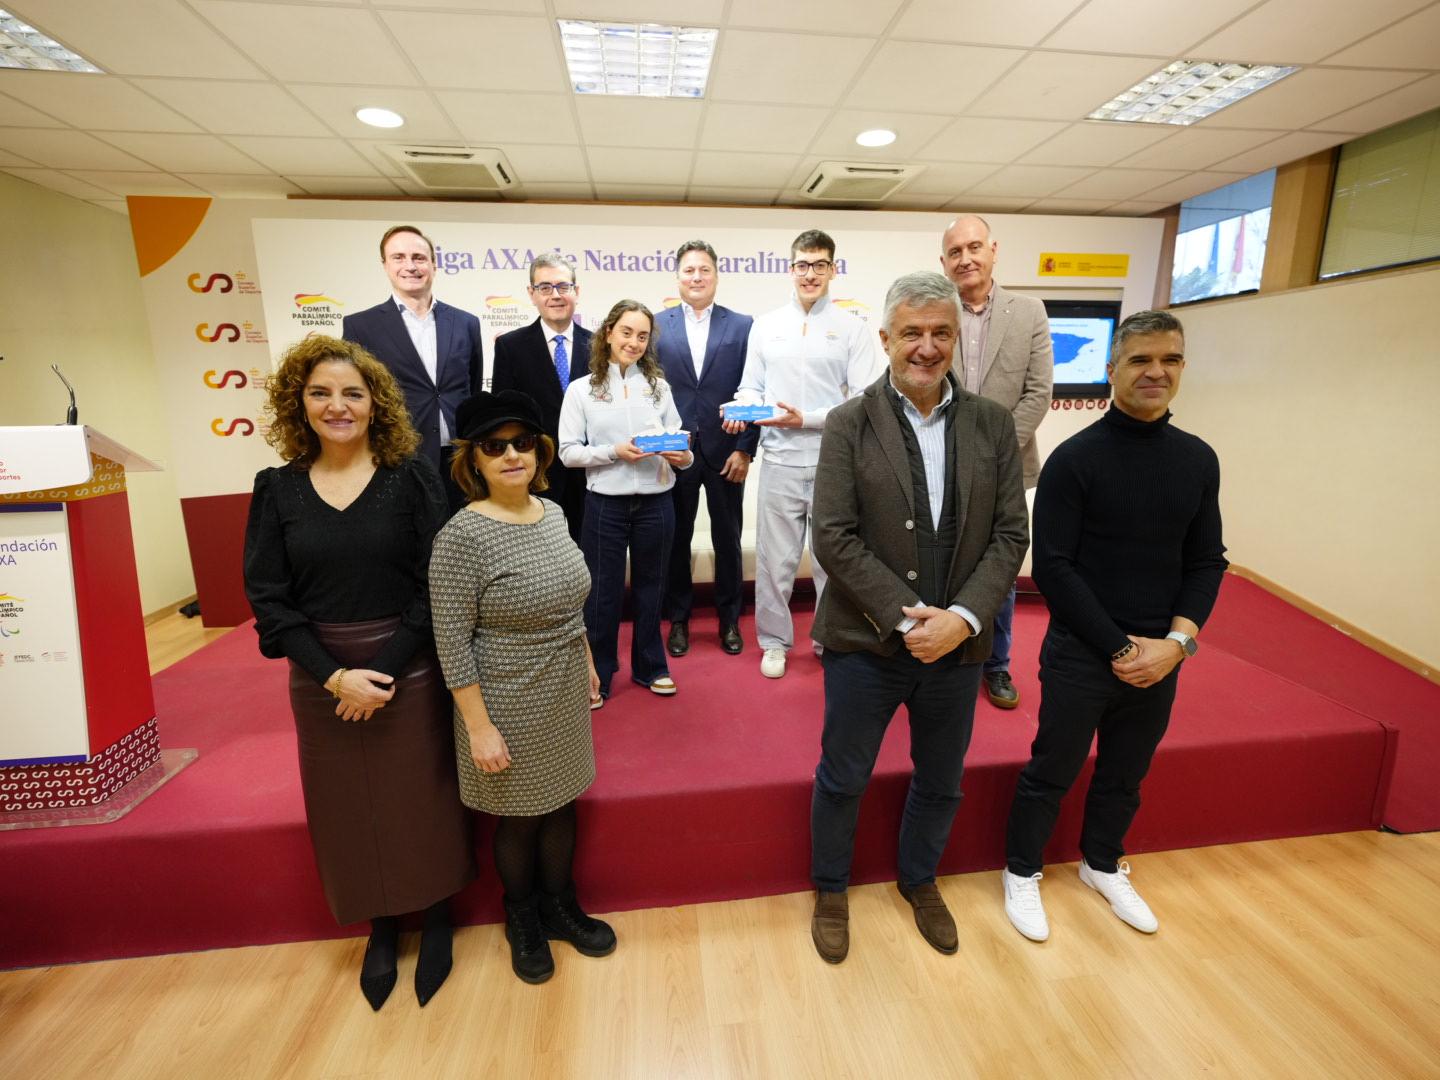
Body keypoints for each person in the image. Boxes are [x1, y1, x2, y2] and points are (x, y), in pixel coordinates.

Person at [242, 334, 475, 1011]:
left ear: (376, 404)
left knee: (420, 798)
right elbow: (269, 599)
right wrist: (334, 677)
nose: (337, 405)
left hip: (410, 664)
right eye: (321, 393)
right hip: (321, 681)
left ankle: (434, 918)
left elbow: (440, 581)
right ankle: (379, 926)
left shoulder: (412, 477)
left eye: (352, 393)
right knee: (346, 807)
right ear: (299, 402)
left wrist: (384, 667)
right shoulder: (276, 488)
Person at [807, 272, 1028, 964]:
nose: (926, 347)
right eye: (912, 333)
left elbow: (1009, 537)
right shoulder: (849, 423)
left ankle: (919, 879)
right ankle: (832, 888)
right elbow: (834, 535)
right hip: (864, 643)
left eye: (940, 333)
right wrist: (910, 623)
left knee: (941, 779)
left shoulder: (992, 424)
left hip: (958, 649)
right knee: (844, 777)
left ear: (955, 339)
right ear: (886, 339)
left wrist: (962, 620)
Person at [1001, 310, 1226, 944]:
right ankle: (1021, 871)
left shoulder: (1197, 460)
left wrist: (1175, 646)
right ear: (1112, 369)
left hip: (1160, 654)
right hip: (1083, 651)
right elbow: (1054, 568)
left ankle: (1101, 862)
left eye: (1171, 360)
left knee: (1126, 774)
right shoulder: (1075, 461)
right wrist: (1123, 648)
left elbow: (1206, 560)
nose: (1157, 372)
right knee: (1053, 769)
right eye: (1141, 360)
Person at [429, 389, 615, 985]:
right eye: (494, 446)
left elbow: (570, 601)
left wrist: (585, 657)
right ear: (473, 461)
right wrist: (478, 727)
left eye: (522, 443)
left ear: (540, 452)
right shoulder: (461, 536)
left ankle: (561, 906)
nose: (512, 454)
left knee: (562, 798)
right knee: (520, 815)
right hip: (504, 694)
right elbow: (452, 642)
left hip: (561, 683)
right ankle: (523, 918)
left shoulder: (553, 512)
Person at [726, 228, 882, 680]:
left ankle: (828, 637)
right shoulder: (766, 325)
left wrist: (807, 419)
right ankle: (774, 643)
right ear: (790, 269)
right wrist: (741, 409)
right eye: (801, 264)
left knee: (831, 561)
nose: (809, 274)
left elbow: (864, 401)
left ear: (832, 269)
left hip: (834, 461)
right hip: (778, 460)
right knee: (775, 562)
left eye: (819, 265)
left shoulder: (851, 328)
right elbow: (750, 385)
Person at [939, 214, 1054, 710]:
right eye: (955, 252)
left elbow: (1038, 392)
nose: (966, 258)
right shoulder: (934, 310)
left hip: (1005, 468)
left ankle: (997, 664)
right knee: (941, 559)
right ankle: (945, 652)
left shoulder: (1029, 311)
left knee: (999, 568)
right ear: (943, 263)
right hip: (939, 460)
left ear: (993, 250)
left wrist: (995, 452)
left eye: (974, 247)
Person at [559, 300, 694, 699]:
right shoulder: (581, 390)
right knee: (602, 593)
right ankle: (597, 671)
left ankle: (651, 666)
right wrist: (614, 451)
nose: (633, 342)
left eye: (642, 336)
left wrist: (681, 455)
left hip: (657, 502)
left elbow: (683, 451)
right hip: (606, 505)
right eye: (626, 332)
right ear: (607, 333)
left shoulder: (658, 387)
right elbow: (568, 452)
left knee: (653, 588)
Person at [654, 240, 757, 659]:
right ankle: (678, 620)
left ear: (716, 275)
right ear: (677, 277)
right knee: (675, 540)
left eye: (704, 270)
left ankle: (729, 620)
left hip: (726, 452)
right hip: (675, 454)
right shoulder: (656, 325)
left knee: (727, 538)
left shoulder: (743, 325)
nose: (696, 278)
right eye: (688, 271)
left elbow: (755, 390)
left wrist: (746, 448)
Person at [342, 224, 484, 509]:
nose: (410, 266)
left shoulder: (466, 322)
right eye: (399, 257)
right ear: (385, 265)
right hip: (397, 456)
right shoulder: (360, 326)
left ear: (433, 264)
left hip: (460, 459)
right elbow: (355, 395)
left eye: (419, 258)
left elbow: (473, 384)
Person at [490, 254, 593, 543]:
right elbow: (505, 415)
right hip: (536, 472)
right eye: (545, 287)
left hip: (590, 473)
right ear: (531, 294)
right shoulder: (510, 347)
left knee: (588, 557)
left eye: (563, 286)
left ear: (577, 291)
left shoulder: (599, 345)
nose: (555, 295)